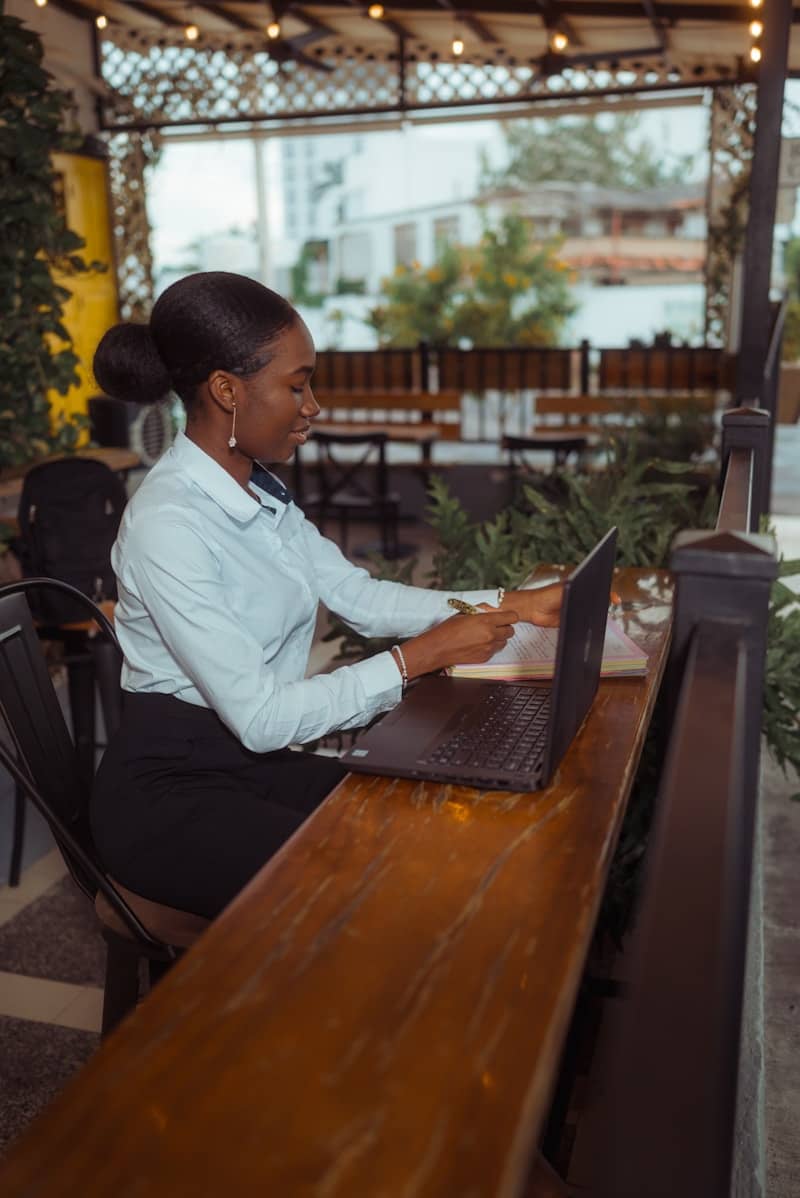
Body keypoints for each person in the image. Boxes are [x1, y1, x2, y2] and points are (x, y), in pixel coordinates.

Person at [90, 271, 562, 920]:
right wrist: (413, 659)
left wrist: (512, 602)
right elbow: (263, 720)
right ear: (227, 390)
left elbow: (356, 595)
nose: (313, 406)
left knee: (418, 826)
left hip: (246, 765)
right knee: (370, 889)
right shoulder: (169, 524)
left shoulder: (258, 491)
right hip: (173, 794)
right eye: (297, 383)